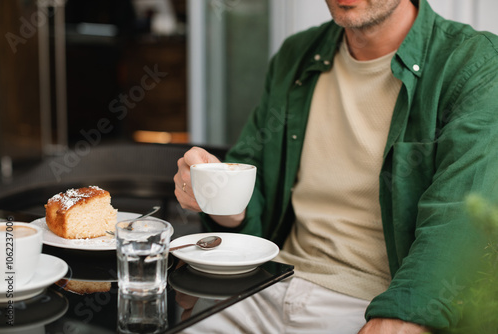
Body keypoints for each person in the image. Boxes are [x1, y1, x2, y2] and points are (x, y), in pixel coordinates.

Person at [174, 0, 498, 332]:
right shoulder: (297, 55)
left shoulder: (475, 64)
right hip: (264, 287)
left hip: (372, 304)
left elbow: (459, 219)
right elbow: (255, 191)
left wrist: (403, 315)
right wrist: (217, 195)